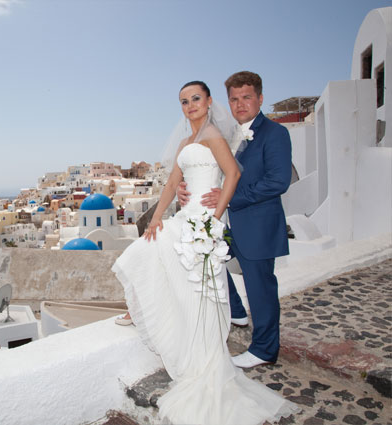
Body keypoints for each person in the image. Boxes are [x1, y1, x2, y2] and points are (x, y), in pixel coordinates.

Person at [111, 80, 298, 425]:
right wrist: (158, 215)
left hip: (220, 218)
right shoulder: (193, 140)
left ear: (209, 101)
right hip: (197, 214)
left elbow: (238, 175)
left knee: (241, 281)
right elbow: (174, 182)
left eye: (196, 98)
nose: (190, 105)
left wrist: (214, 214)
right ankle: (158, 310)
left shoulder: (227, 135)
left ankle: (256, 348)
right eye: (184, 101)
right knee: (191, 270)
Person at [177, 71, 292, 369]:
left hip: (257, 225)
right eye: (234, 99)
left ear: (260, 98)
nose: (240, 105)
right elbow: (213, 171)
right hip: (225, 225)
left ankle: (265, 349)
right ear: (227, 102)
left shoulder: (275, 133)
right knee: (209, 263)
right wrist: (185, 185)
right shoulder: (226, 135)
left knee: (261, 288)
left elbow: (278, 182)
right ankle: (237, 311)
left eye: (247, 97)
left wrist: (230, 199)